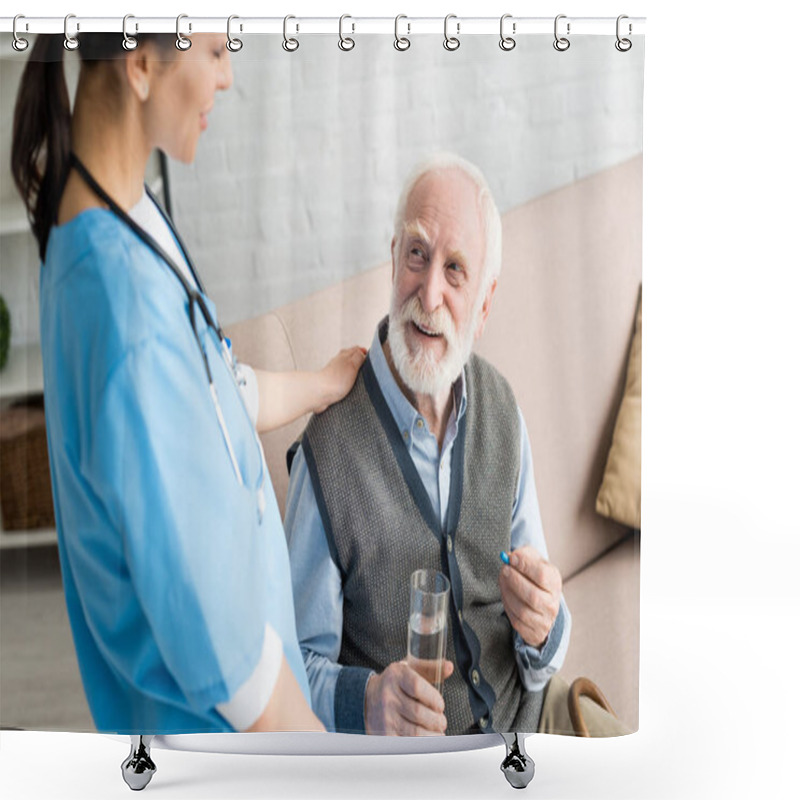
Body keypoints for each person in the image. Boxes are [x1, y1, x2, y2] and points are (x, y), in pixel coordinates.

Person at [11, 32, 363, 734]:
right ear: (141, 65)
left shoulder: (116, 210)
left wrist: (322, 384)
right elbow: (220, 643)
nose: (227, 79)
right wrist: (324, 761)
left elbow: (210, 397)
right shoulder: (122, 302)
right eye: (215, 52)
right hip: (221, 734)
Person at [285, 153, 629, 737]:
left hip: (532, 717)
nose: (430, 291)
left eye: (456, 270)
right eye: (417, 254)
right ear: (394, 258)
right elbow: (292, 671)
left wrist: (544, 626)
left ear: (485, 303)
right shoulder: (327, 455)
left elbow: (543, 624)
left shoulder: (502, 410)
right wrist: (367, 701)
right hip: (419, 765)